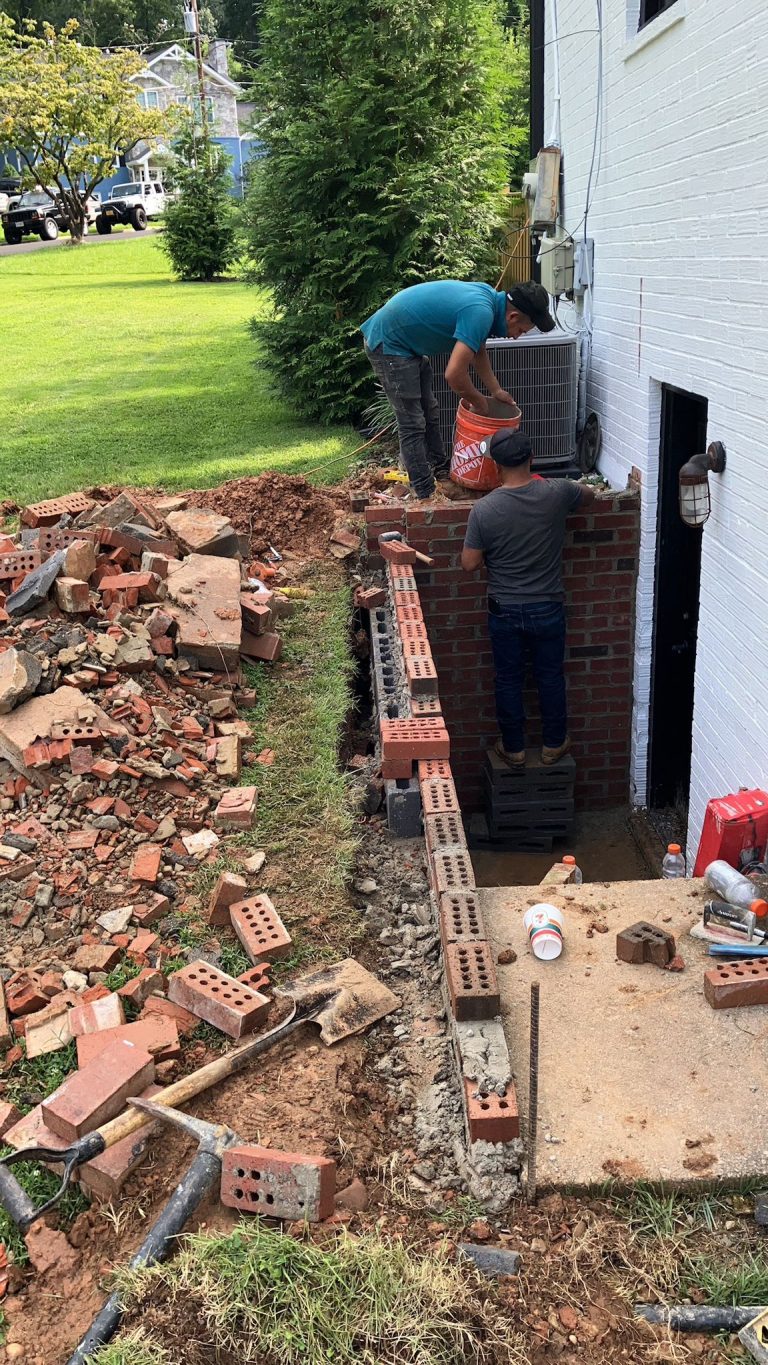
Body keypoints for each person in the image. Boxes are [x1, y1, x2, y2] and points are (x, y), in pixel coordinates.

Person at [461, 428, 597, 768]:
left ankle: (514, 748)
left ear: (494, 467)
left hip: (504, 610)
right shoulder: (557, 493)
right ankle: (553, 745)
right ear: (532, 460)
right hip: (548, 607)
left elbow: (469, 564)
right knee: (549, 676)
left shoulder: (484, 510)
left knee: (508, 679)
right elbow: (590, 495)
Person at [360, 281, 555, 501]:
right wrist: (479, 401)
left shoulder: (488, 303)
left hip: (408, 344)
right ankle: (425, 492)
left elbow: (478, 350)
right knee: (412, 422)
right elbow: (453, 375)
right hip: (390, 343)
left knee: (429, 411)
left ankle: (440, 471)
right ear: (513, 316)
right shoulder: (481, 311)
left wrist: (496, 390)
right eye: (520, 330)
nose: (517, 336)